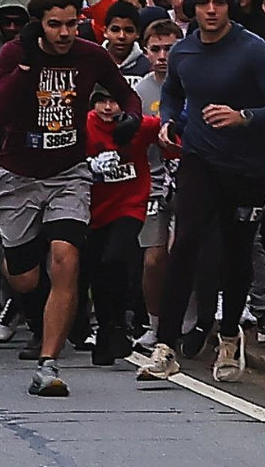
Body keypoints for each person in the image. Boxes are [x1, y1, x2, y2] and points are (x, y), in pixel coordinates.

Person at [146, 0, 265, 383]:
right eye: (202, 3)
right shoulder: (182, 52)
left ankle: (230, 336)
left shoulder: (254, 51)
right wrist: (171, 120)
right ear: (190, 7)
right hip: (199, 160)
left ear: (231, 5)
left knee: (236, 255)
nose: (211, 11)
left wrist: (244, 117)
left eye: (218, 3)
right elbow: (174, 91)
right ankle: (165, 346)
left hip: (247, 168)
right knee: (187, 244)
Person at [0, 0, 137, 397]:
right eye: (55, 25)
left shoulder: (90, 55)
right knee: (25, 278)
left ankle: (48, 364)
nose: (65, 33)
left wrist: (128, 118)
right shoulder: (15, 54)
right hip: (18, 173)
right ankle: (8, 258)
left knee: (66, 256)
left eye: (72, 24)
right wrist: (26, 67)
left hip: (68, 171)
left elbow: (127, 96)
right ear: (39, 24)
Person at [83, 83, 159, 366]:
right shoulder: (85, 126)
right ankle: (106, 327)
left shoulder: (137, 125)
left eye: (113, 102)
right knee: (97, 270)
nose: (107, 108)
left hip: (130, 205)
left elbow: (170, 131)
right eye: (101, 101)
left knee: (117, 258)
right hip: (93, 211)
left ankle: (120, 321)